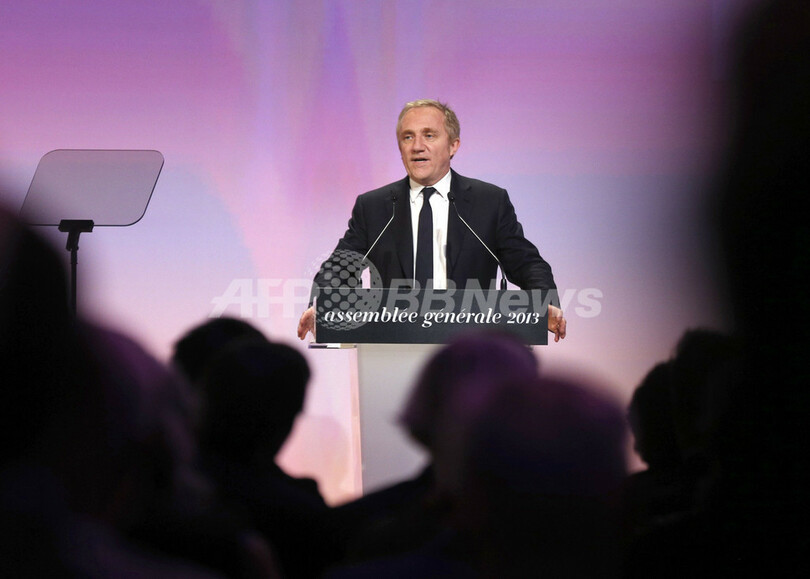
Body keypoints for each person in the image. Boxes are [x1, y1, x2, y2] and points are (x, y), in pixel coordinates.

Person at [297, 99, 566, 342]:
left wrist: (546, 303)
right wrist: (323, 305)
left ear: (453, 145)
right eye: (408, 137)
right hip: (392, 347)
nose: (417, 146)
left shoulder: (489, 202)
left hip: (470, 346)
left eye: (429, 135)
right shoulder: (374, 207)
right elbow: (340, 268)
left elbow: (526, 263)